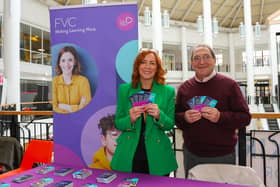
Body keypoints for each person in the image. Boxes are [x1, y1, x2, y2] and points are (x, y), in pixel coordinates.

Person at [175, 44, 251, 178]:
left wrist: (220, 117)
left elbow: (245, 117)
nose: (202, 62)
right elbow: (176, 117)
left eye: (206, 57)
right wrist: (185, 118)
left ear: (215, 60)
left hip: (222, 155)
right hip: (191, 154)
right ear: (192, 63)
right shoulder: (184, 88)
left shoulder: (230, 85)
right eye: (196, 58)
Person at [110, 49, 178, 176]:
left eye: (152, 63)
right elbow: (118, 123)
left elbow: (169, 124)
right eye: (143, 62)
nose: (147, 66)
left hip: (157, 156)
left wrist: (159, 115)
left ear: (157, 68)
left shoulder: (168, 91)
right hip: (129, 154)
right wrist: (130, 118)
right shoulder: (124, 90)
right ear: (137, 66)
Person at [53, 46, 91, 113]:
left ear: (75, 62)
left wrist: (66, 107)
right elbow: (54, 108)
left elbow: (86, 107)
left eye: (70, 60)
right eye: (63, 60)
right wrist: (77, 107)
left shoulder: (83, 81)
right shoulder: (53, 82)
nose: (66, 64)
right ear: (59, 63)